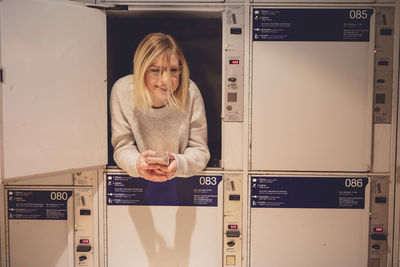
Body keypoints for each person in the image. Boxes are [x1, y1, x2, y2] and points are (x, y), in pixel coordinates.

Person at [110, 32, 210, 182]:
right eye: (155, 71)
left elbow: (200, 150)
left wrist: (180, 164)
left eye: (174, 70)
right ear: (141, 70)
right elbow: (122, 146)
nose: (166, 80)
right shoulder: (122, 91)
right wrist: (137, 163)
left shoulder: (189, 91)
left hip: (183, 180)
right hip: (137, 180)